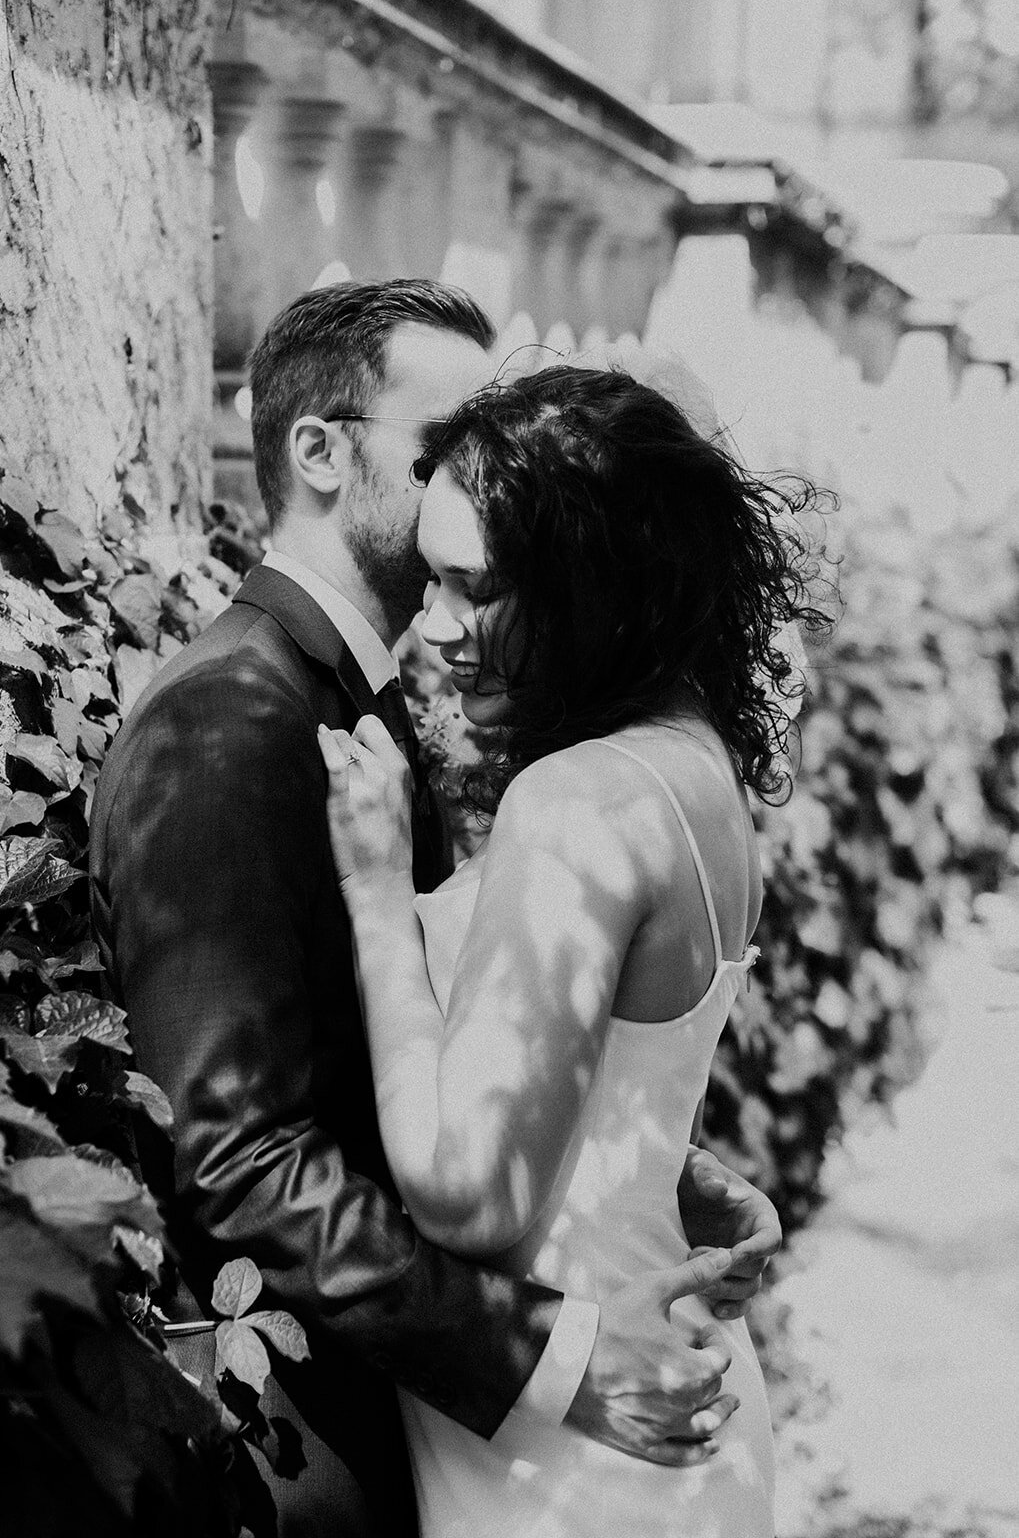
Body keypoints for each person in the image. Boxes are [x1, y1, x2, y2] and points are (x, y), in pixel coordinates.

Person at [89, 281, 782, 1537]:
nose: (485, 454)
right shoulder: (227, 721)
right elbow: (242, 1159)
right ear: (319, 453)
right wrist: (557, 1357)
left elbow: (438, 1047)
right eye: (441, 437)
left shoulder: (400, 703)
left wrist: (644, 1158)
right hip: (363, 1427)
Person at [318, 362, 830, 1536]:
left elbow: (468, 1193)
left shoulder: (580, 800)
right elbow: (614, 1069)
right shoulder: (686, 754)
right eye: (425, 579)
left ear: (588, 586)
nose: (430, 626)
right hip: (658, 1382)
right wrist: (676, 1170)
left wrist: (377, 894)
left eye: (469, 588)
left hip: (580, 1436)